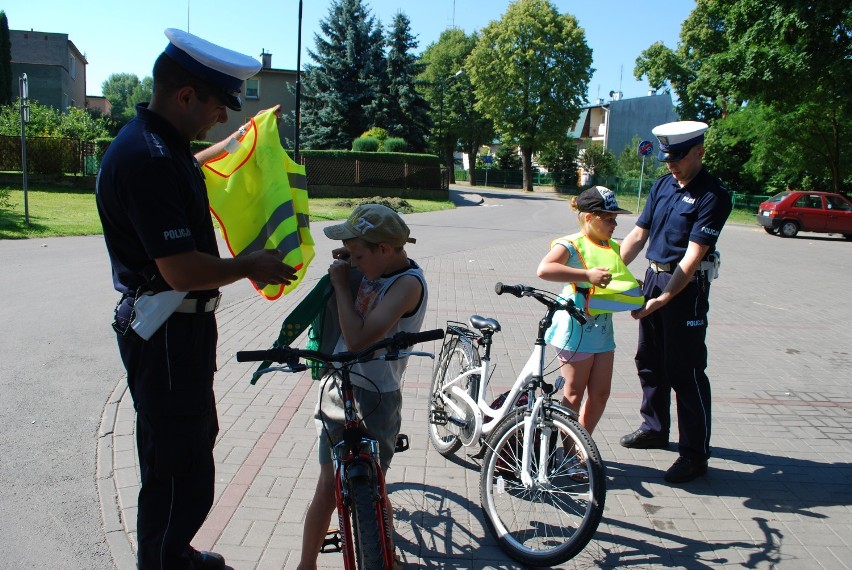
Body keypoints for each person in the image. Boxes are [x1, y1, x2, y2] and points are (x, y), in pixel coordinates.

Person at [96, 29, 297, 569]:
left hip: (176, 333)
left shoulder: (158, 144)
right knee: (175, 468)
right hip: (167, 335)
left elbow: (188, 170)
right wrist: (249, 264)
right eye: (218, 106)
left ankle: (173, 554)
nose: (222, 118)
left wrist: (238, 144)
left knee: (185, 448)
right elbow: (182, 269)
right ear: (186, 96)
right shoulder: (151, 158)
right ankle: (163, 561)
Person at [297, 204, 428, 570]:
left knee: (374, 484)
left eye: (357, 255)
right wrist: (353, 259)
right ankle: (306, 564)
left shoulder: (407, 284)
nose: (351, 262)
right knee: (328, 486)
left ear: (385, 250)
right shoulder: (378, 264)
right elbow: (364, 266)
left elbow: (356, 339)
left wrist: (341, 284)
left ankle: (383, 555)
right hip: (340, 386)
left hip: (378, 393)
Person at [617, 120, 732, 484]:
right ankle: (655, 428)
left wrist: (664, 298)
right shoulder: (663, 185)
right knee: (649, 359)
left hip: (685, 286)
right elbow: (638, 234)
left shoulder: (713, 195)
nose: (671, 164)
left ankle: (695, 455)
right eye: (668, 158)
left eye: (679, 157)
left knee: (686, 370)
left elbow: (693, 256)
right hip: (652, 276)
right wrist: (607, 273)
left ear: (699, 152)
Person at [537, 186, 642, 438]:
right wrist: (586, 275)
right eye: (608, 219)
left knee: (601, 394)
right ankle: (569, 452)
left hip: (602, 332)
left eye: (615, 219)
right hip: (575, 331)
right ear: (588, 217)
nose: (614, 224)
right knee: (573, 394)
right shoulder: (571, 245)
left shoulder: (612, 247)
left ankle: (581, 445)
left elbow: (613, 281)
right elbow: (544, 269)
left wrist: (633, 294)